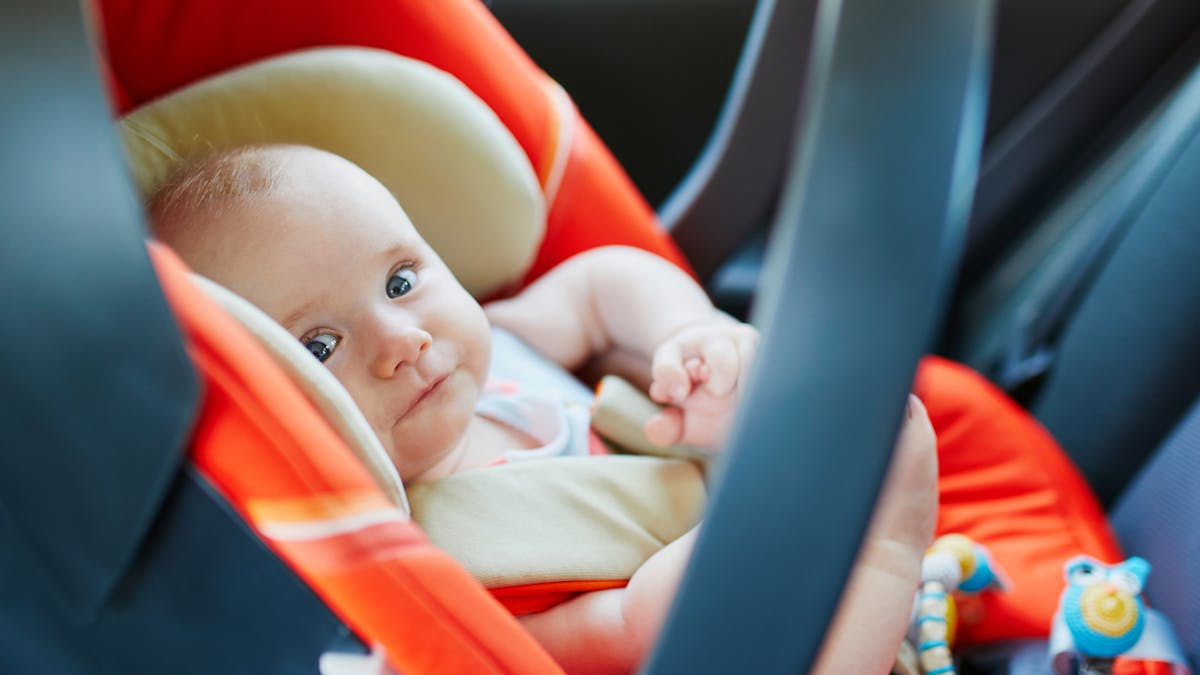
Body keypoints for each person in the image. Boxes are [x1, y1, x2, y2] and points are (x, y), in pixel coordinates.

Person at [149, 144, 937, 674]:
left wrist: (690, 334)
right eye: (319, 346)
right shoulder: (426, 570)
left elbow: (600, 287)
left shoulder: (504, 341)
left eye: (399, 280)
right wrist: (814, 526)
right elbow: (631, 627)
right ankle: (887, 550)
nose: (404, 339)